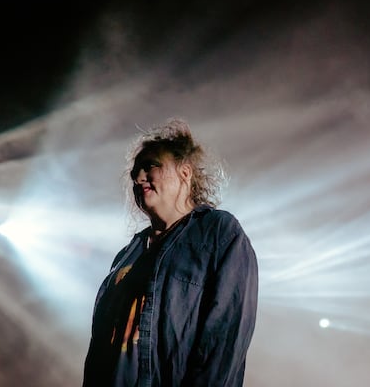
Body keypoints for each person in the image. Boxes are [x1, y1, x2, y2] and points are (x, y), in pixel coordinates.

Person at [82, 119, 258, 386]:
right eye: (135, 173)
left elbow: (223, 340)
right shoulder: (127, 256)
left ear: (185, 172)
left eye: (151, 166)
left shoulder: (218, 233)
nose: (139, 178)